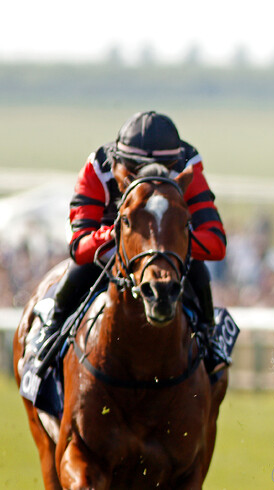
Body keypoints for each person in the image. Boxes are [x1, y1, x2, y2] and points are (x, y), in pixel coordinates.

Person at [39, 111, 228, 373]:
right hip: (112, 245)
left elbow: (216, 242)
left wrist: (172, 240)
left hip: (168, 249)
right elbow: (79, 248)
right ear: (121, 165)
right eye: (137, 171)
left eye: (163, 171)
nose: (149, 179)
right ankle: (48, 337)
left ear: (175, 161)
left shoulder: (188, 163)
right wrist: (120, 235)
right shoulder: (99, 166)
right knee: (77, 271)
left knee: (198, 270)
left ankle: (210, 342)